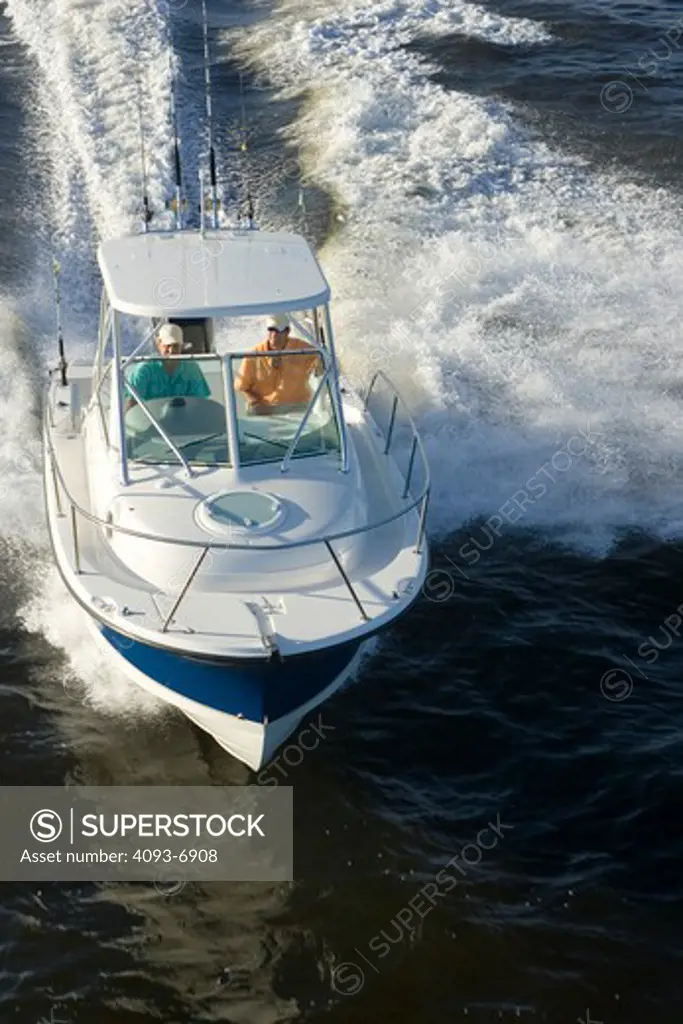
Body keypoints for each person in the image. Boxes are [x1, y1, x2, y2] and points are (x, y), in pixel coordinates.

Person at [234, 313, 321, 415]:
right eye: (271, 330)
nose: (274, 335)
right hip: (265, 409)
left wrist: (320, 364)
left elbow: (323, 364)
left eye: (278, 330)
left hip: (298, 408)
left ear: (287, 331)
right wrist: (255, 403)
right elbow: (242, 387)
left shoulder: (304, 349)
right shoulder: (253, 355)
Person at [125, 323, 210, 408]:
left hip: (185, 420)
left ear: (181, 346)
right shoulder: (144, 370)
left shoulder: (192, 369)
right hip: (150, 420)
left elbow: (201, 404)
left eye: (176, 346)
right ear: (159, 344)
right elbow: (131, 405)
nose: (171, 350)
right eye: (167, 345)